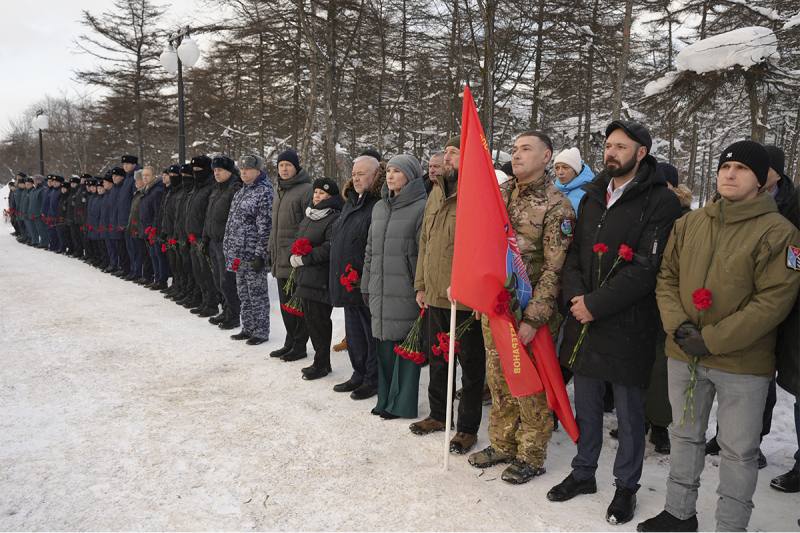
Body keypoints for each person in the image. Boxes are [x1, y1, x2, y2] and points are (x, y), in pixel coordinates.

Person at [638, 141, 800, 532]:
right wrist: (679, 327)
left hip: (742, 363)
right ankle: (679, 513)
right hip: (684, 354)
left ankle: (730, 525)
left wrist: (711, 340)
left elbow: (774, 300)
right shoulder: (690, 222)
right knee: (684, 436)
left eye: (742, 169)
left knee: (739, 452)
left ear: (761, 181)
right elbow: (667, 278)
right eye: (725, 167)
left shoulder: (780, 232)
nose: (730, 174)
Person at [548, 121, 682, 525]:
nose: (611, 152)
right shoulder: (592, 196)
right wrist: (576, 299)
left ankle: (626, 487)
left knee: (628, 414)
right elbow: (572, 256)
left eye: (621, 146)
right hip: (583, 318)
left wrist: (596, 304)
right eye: (608, 145)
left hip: (629, 323)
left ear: (641, 152)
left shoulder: (660, 201)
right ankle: (584, 471)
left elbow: (646, 267)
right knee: (586, 404)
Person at [468, 131, 575, 482]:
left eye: (526, 149)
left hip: (529, 311)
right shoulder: (500, 195)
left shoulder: (557, 204)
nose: (516, 155)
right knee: (498, 379)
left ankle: (531, 453)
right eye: (514, 149)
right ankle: (502, 442)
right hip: (496, 308)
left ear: (547, 157)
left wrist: (534, 317)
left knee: (528, 384)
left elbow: (554, 269)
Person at [410, 135, 486, 454]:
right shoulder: (437, 192)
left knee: (470, 366)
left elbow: (483, 248)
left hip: (466, 299)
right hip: (436, 294)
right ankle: (439, 415)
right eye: (447, 153)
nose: (447, 158)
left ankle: (467, 428)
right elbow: (425, 242)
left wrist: (479, 293)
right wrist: (421, 285)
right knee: (439, 360)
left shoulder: (478, 196)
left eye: (455, 153)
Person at [362, 154, 428, 418]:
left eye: (397, 171)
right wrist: (366, 284)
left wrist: (419, 286)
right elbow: (370, 250)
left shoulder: (421, 207)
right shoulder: (380, 207)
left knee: (406, 348)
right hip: (379, 286)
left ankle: (402, 404)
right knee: (384, 345)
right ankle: (385, 399)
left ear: (410, 176)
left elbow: (424, 252)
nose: (390, 175)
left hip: (406, 288)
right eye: (388, 170)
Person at [329, 155, 384, 399]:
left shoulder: (378, 204)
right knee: (353, 332)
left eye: (362, 173)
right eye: (354, 174)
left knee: (369, 333)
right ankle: (358, 373)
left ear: (375, 175)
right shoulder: (351, 201)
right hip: (346, 279)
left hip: (364, 280)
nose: (356, 178)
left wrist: (363, 273)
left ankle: (372, 379)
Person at [288, 178, 343, 379]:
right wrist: (294, 253)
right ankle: (320, 361)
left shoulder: (333, 217)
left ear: (331, 197)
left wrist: (306, 258)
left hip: (320, 278)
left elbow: (330, 247)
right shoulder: (310, 215)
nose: (317, 196)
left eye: (322, 193)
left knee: (319, 321)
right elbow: (299, 238)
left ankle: (322, 363)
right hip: (306, 276)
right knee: (311, 320)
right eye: (316, 192)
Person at [223, 154, 273, 345]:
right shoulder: (241, 191)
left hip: (253, 254)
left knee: (257, 294)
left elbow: (265, 227)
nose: (243, 172)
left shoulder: (264, 193)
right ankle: (248, 327)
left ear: (258, 171)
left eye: (248, 169)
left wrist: (261, 255)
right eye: (242, 169)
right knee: (243, 292)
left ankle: (260, 331)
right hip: (238, 254)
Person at [268, 149, 313, 361]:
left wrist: (298, 250)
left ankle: (300, 344)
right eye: (280, 165)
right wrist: (271, 248)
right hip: (280, 256)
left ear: (296, 167)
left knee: (296, 305)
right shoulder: (279, 190)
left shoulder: (306, 190)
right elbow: (274, 226)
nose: (284, 169)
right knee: (286, 305)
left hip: (295, 258)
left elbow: (308, 225)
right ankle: (290, 341)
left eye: (288, 165)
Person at [205, 156, 242, 330]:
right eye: (214, 170)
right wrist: (206, 237)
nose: (216, 173)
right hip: (214, 240)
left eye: (220, 170)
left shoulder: (235, 189)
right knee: (219, 279)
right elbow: (209, 215)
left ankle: (234, 315)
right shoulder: (216, 189)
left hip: (226, 242)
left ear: (228, 171)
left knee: (228, 281)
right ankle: (226, 309)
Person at [185, 155, 219, 317]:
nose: (195, 173)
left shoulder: (211, 187)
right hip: (194, 236)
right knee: (198, 272)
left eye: (199, 170)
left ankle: (212, 303)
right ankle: (204, 300)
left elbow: (208, 214)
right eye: (194, 170)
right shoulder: (196, 187)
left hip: (204, 236)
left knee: (207, 272)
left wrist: (204, 236)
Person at [139, 165, 167, 289]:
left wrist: (154, 228)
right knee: (153, 255)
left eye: (147, 175)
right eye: (143, 175)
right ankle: (157, 278)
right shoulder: (147, 190)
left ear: (153, 176)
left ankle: (162, 280)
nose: (145, 178)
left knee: (158, 255)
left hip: (154, 229)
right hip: (146, 228)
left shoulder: (157, 191)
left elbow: (158, 212)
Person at [553, 147, 595, 215]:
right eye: (557, 168)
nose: (560, 172)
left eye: (565, 167)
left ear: (576, 170)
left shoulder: (589, 193)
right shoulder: (552, 191)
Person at [127, 170, 147, 282]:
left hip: (139, 227)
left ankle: (139, 272)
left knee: (140, 252)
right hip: (133, 226)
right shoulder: (137, 193)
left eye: (137, 180)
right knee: (134, 251)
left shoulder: (142, 194)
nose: (136, 182)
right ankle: (135, 270)